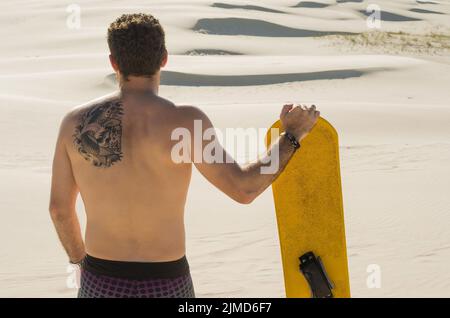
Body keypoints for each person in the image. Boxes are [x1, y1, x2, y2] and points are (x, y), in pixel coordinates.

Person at [49, 13, 320, 298]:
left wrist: (80, 261)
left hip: (102, 279)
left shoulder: (74, 124)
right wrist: (291, 136)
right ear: (164, 58)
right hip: (166, 281)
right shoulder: (186, 122)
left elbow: (59, 210)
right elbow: (244, 189)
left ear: (113, 62)